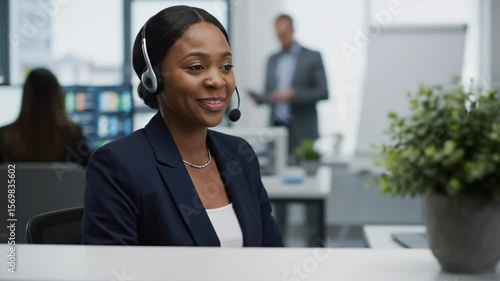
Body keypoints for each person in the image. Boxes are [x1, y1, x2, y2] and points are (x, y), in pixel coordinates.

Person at [82, 5, 283, 247]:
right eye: (196, 67)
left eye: (226, 66)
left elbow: (271, 255)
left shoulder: (239, 155)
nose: (217, 80)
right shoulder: (118, 166)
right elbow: (110, 269)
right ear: (153, 78)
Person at [249, 14, 329, 246]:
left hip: (304, 134)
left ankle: (314, 245)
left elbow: (323, 92)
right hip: (277, 133)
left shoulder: (312, 57)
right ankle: (278, 244)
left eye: (285, 33)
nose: (281, 38)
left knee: (310, 191)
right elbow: (269, 94)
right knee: (279, 191)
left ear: (293, 31)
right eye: (278, 34)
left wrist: (293, 94)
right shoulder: (272, 60)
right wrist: (261, 98)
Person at [0, 68, 89, 166]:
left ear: (26, 97)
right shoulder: (74, 136)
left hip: (12, 182)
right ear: (58, 97)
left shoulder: (4, 137)